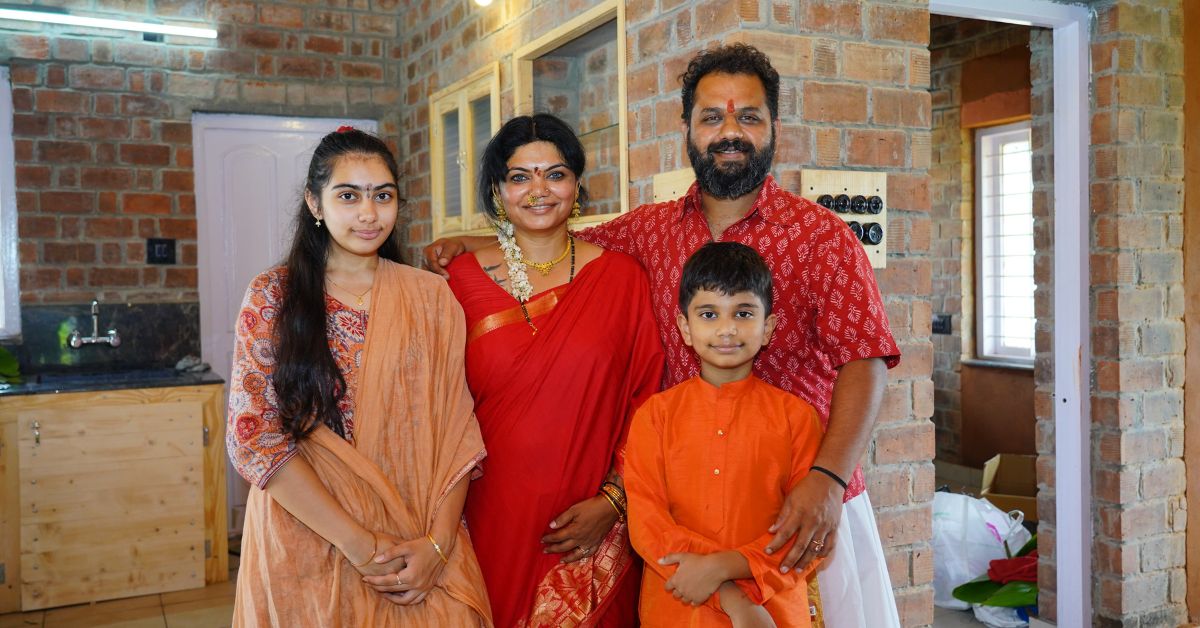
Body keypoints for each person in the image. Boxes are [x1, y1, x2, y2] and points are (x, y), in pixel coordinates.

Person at [424, 44, 901, 628]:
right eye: (711, 118)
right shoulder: (651, 231)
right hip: (680, 506)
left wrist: (826, 481)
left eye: (748, 116)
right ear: (687, 129)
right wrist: (473, 248)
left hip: (795, 503)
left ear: (775, 126)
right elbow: (556, 235)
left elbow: (866, 361)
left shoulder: (822, 237)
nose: (730, 132)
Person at [226, 127, 492, 626]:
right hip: (308, 541)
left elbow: (458, 431)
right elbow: (255, 438)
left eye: (383, 196)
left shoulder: (431, 297)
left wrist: (438, 545)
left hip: (416, 541)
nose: (369, 214)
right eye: (348, 195)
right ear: (315, 203)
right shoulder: (272, 297)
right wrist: (360, 544)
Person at [436, 113, 664, 627]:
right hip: (487, 514)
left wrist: (614, 500)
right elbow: (435, 404)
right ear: (498, 190)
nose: (538, 190)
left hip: (593, 519)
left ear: (577, 185)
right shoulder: (457, 281)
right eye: (520, 177)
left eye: (554, 174)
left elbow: (649, 402)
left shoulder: (620, 278)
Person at [625, 242, 824, 628]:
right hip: (681, 603)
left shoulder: (797, 418)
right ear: (685, 326)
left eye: (744, 313)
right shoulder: (656, 416)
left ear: (768, 327)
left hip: (772, 608)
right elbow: (647, 526)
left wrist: (727, 567)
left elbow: (810, 531)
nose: (727, 328)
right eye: (709, 314)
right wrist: (731, 596)